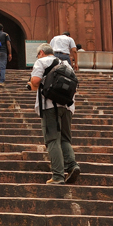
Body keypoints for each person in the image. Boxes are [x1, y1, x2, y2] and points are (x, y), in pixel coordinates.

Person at [30, 43, 80, 184]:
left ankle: (58, 176)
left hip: (50, 106)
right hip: (67, 106)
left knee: (52, 139)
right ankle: (72, 166)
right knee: (65, 139)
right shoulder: (66, 64)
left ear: (41, 53)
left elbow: (35, 81)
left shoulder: (41, 61)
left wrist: (32, 84)